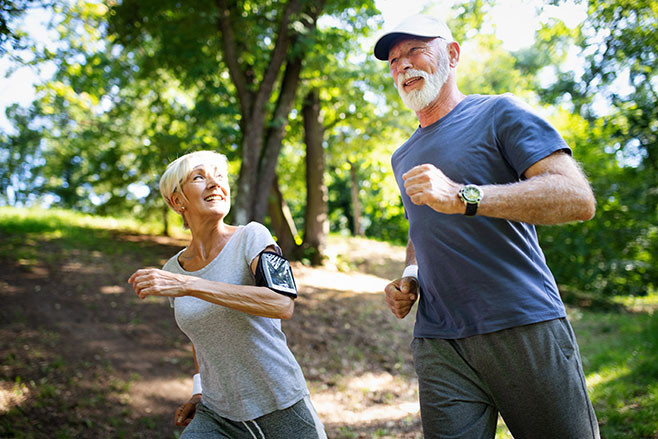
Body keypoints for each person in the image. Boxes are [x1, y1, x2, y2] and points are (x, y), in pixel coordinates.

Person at [373, 14, 600, 439]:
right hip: (439, 339)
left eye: (414, 51)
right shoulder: (402, 155)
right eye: (393, 60)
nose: (402, 65)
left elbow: (576, 197)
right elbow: (420, 228)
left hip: (520, 321)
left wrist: (465, 196)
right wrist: (409, 277)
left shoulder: (499, 112)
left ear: (452, 54)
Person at [128, 150, 326, 439]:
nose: (214, 183)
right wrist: (199, 391)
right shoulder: (174, 268)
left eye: (220, 176)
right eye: (199, 177)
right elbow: (202, 334)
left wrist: (189, 285)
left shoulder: (253, 236)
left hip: (280, 403)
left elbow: (282, 303)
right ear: (176, 200)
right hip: (218, 413)